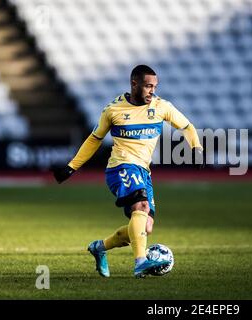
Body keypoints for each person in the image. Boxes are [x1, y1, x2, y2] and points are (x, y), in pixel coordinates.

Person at [52, 65, 204, 277]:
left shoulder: (161, 107)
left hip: (143, 171)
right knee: (140, 206)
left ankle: (100, 247)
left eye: (155, 86)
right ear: (134, 84)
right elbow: (94, 139)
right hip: (120, 167)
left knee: (145, 226)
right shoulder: (113, 110)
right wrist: (72, 167)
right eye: (148, 86)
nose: (152, 91)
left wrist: (196, 147)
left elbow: (186, 126)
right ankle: (140, 262)